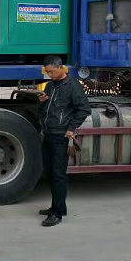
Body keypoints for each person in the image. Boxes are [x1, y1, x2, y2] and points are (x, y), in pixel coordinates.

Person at [37, 55, 91, 227]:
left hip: (61, 136)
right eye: (47, 72)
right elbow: (43, 111)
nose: (49, 75)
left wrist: (71, 128)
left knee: (58, 175)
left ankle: (57, 213)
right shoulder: (50, 86)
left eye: (52, 72)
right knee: (49, 172)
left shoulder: (73, 86)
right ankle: (57, 206)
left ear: (61, 68)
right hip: (48, 134)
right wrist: (41, 102)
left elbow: (84, 109)